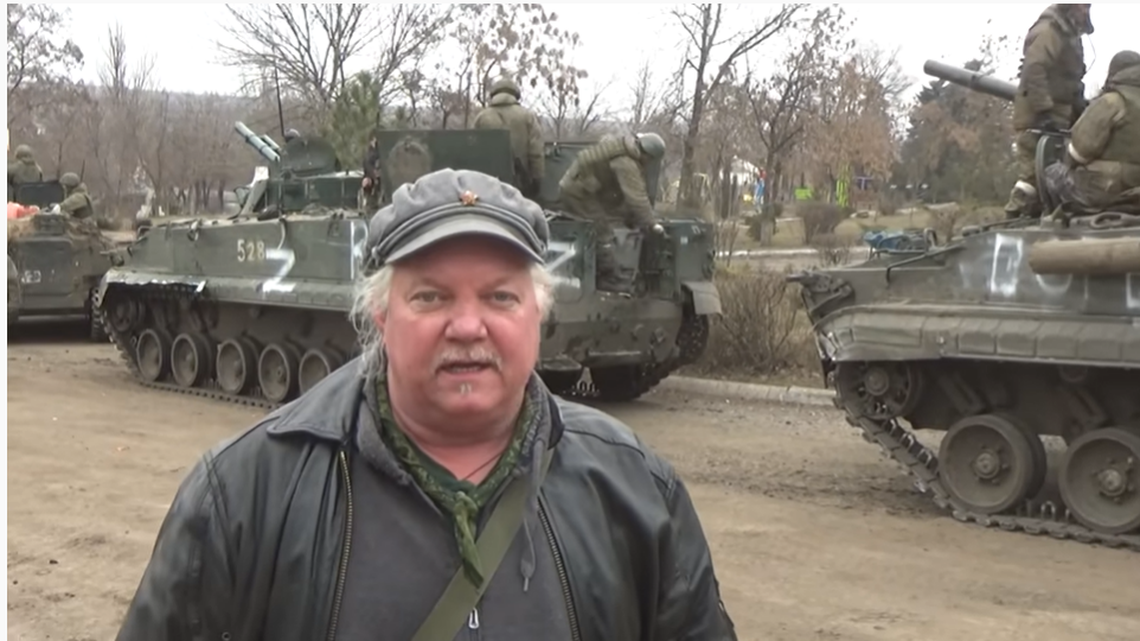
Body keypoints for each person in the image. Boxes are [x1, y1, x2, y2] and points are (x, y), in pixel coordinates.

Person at [114, 168, 737, 641]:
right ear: (381, 314)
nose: (467, 326)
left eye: (500, 297)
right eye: (431, 297)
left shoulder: (637, 494)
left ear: (539, 313)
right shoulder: (244, 497)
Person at [1003, 3, 1094, 218]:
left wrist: (1078, 105)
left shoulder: (1070, 35)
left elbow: (1069, 78)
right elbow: (1035, 68)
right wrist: (1043, 111)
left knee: (1052, 175)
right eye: (1082, 6)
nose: (1085, 11)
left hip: (1058, 116)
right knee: (1032, 175)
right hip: (1038, 118)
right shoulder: (1050, 31)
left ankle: (1037, 218)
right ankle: (1013, 217)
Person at [557, 132, 666, 294]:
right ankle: (608, 277)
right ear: (648, 156)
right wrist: (652, 224)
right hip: (579, 192)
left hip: (578, 185)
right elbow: (637, 198)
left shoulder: (620, 143)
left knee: (608, 220)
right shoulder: (625, 163)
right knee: (602, 230)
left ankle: (601, 268)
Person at [1043, 49, 1140, 215]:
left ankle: (1055, 217)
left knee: (1053, 173)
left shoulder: (1112, 101)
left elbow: (1079, 152)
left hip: (1108, 189)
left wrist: (1067, 160)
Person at [472, 76, 545, 199]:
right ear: (515, 94)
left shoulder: (482, 117)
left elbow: (472, 151)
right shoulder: (527, 116)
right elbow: (536, 151)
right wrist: (537, 179)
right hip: (519, 184)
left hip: (487, 185)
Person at [362, 126, 383, 211]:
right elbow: (367, 166)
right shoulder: (369, 154)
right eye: (373, 140)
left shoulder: (384, 152)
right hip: (373, 184)